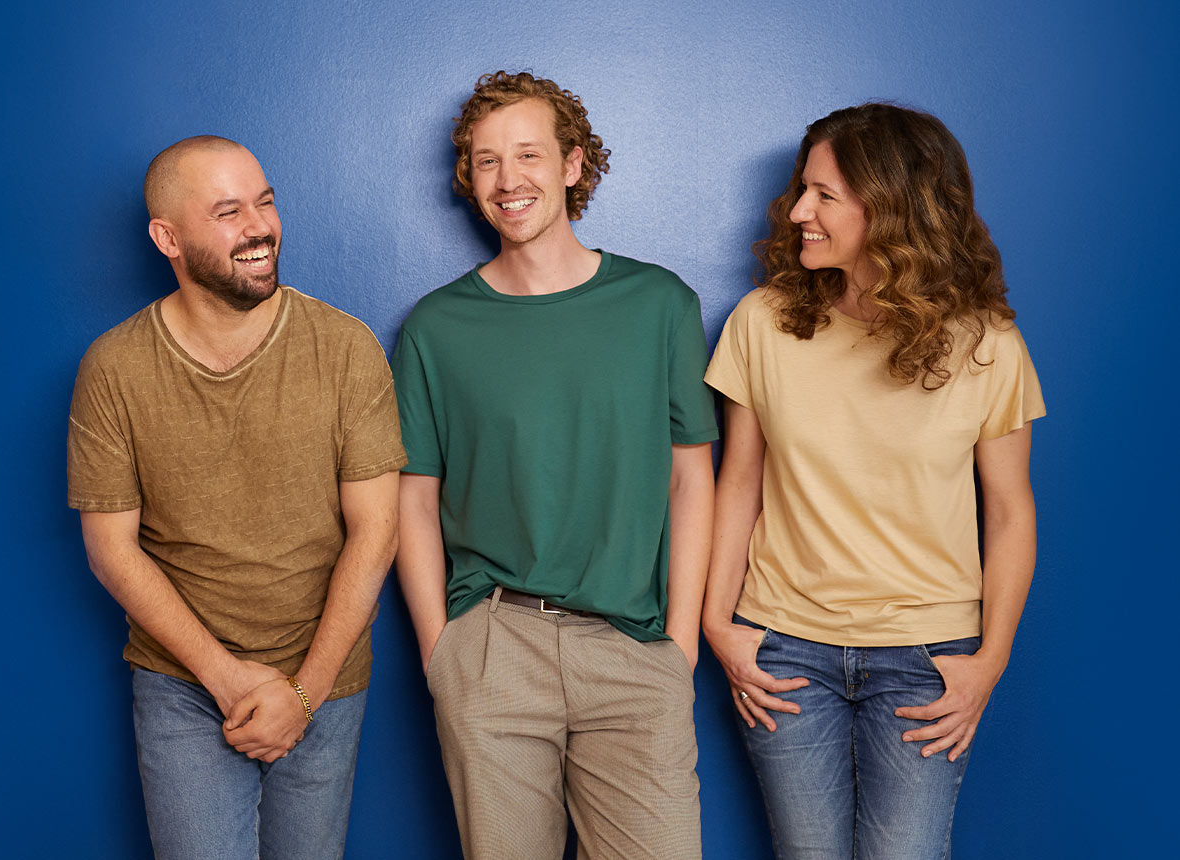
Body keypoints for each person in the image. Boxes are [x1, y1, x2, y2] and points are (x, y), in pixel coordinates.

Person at [702, 103, 1045, 859]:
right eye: (803, 190)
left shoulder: (987, 342)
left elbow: (1012, 515)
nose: (799, 212)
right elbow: (738, 486)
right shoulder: (762, 323)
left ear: (893, 207)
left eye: (825, 195)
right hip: (784, 650)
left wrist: (990, 662)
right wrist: (719, 627)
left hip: (928, 656)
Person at [392, 71, 717, 860]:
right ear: (470, 179)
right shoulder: (436, 328)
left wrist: (680, 645)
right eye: (486, 161)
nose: (509, 181)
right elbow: (413, 498)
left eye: (528, 155)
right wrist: (444, 650)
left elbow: (691, 479)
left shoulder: (659, 305)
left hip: (633, 647)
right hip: (493, 648)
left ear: (574, 165)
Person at [67, 135, 405, 859]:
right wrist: (225, 679)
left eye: (266, 201)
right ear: (169, 238)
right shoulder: (115, 368)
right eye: (228, 211)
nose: (259, 227)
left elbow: (377, 532)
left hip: (327, 675)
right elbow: (110, 551)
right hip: (184, 686)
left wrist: (303, 695)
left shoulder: (346, 348)